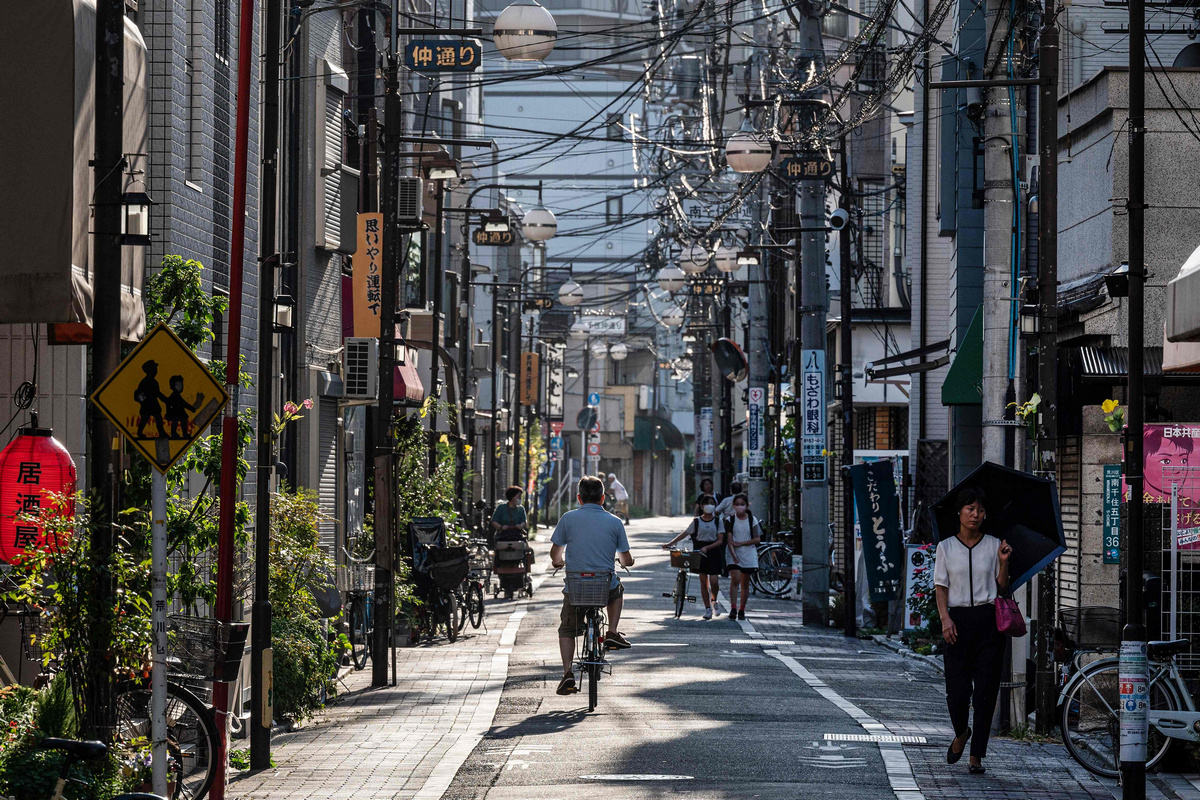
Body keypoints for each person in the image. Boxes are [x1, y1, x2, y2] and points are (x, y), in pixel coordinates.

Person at [934, 486, 1012, 775]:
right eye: (970, 508)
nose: (975, 514)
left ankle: (976, 756)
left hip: (989, 621)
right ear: (960, 512)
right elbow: (941, 586)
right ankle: (961, 732)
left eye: (980, 509)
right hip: (957, 621)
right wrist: (945, 619)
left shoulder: (994, 545)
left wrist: (1003, 563)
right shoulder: (946, 547)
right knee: (956, 692)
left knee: (985, 693)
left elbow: (1003, 587)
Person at [550, 475, 635, 696]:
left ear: (579, 498)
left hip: (575, 586)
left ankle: (567, 672)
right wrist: (628, 562)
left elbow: (555, 553)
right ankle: (612, 631)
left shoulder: (568, 519)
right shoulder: (615, 522)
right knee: (617, 590)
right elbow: (625, 559)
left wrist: (558, 562)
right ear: (603, 498)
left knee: (567, 629)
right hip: (603, 585)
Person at [661, 494, 724, 619]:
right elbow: (684, 534)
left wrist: (708, 547)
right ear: (701, 506)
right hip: (699, 552)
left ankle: (714, 600)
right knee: (703, 581)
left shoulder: (718, 521)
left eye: (711, 503)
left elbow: (720, 540)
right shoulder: (696, 522)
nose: (709, 506)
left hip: (713, 552)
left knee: (714, 581)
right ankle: (707, 609)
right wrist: (669, 544)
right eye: (706, 503)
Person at [723, 494, 761, 620]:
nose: (739, 507)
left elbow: (757, 539)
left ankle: (742, 610)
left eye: (742, 504)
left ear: (746, 505)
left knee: (745, 583)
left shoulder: (752, 520)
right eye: (737, 504)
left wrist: (741, 543)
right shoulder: (730, 520)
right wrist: (734, 555)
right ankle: (733, 608)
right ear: (733, 506)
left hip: (748, 554)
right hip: (733, 553)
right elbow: (729, 539)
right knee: (735, 578)